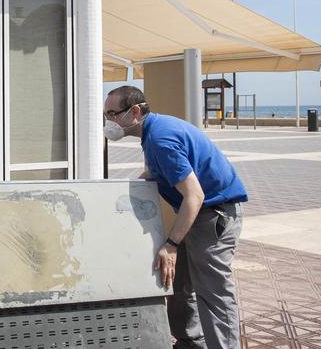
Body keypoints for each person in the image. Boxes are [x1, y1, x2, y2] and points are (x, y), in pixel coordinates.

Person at [104, 85, 248, 349]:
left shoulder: (160, 139)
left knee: (213, 292)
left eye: (113, 114)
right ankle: (190, 341)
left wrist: (171, 244)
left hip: (213, 217)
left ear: (135, 111)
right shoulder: (154, 131)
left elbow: (195, 195)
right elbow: (154, 172)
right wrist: (119, 195)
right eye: (107, 115)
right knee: (180, 285)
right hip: (198, 216)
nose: (109, 122)